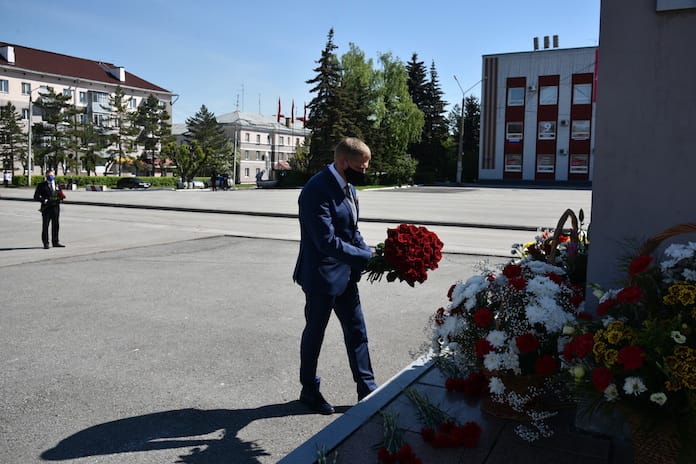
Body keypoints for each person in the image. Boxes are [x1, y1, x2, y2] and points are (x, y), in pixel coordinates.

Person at [293, 137, 377, 415]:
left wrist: (371, 254)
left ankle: (367, 390)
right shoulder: (316, 190)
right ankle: (309, 390)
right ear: (343, 162)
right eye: (360, 167)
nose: (363, 172)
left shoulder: (349, 188)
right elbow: (325, 241)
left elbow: (352, 230)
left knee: (357, 332)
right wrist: (364, 257)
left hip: (346, 275)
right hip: (321, 278)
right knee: (315, 334)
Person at [33, 169, 65, 249]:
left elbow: (60, 193)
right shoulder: (41, 185)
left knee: (56, 225)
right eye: (48, 175)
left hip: (55, 207)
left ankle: (55, 242)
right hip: (46, 208)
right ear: (46, 176)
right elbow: (36, 196)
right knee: (45, 226)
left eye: (52, 175)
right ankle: (46, 243)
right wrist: (43, 200)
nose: (50, 176)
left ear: (54, 176)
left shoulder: (57, 184)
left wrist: (61, 197)